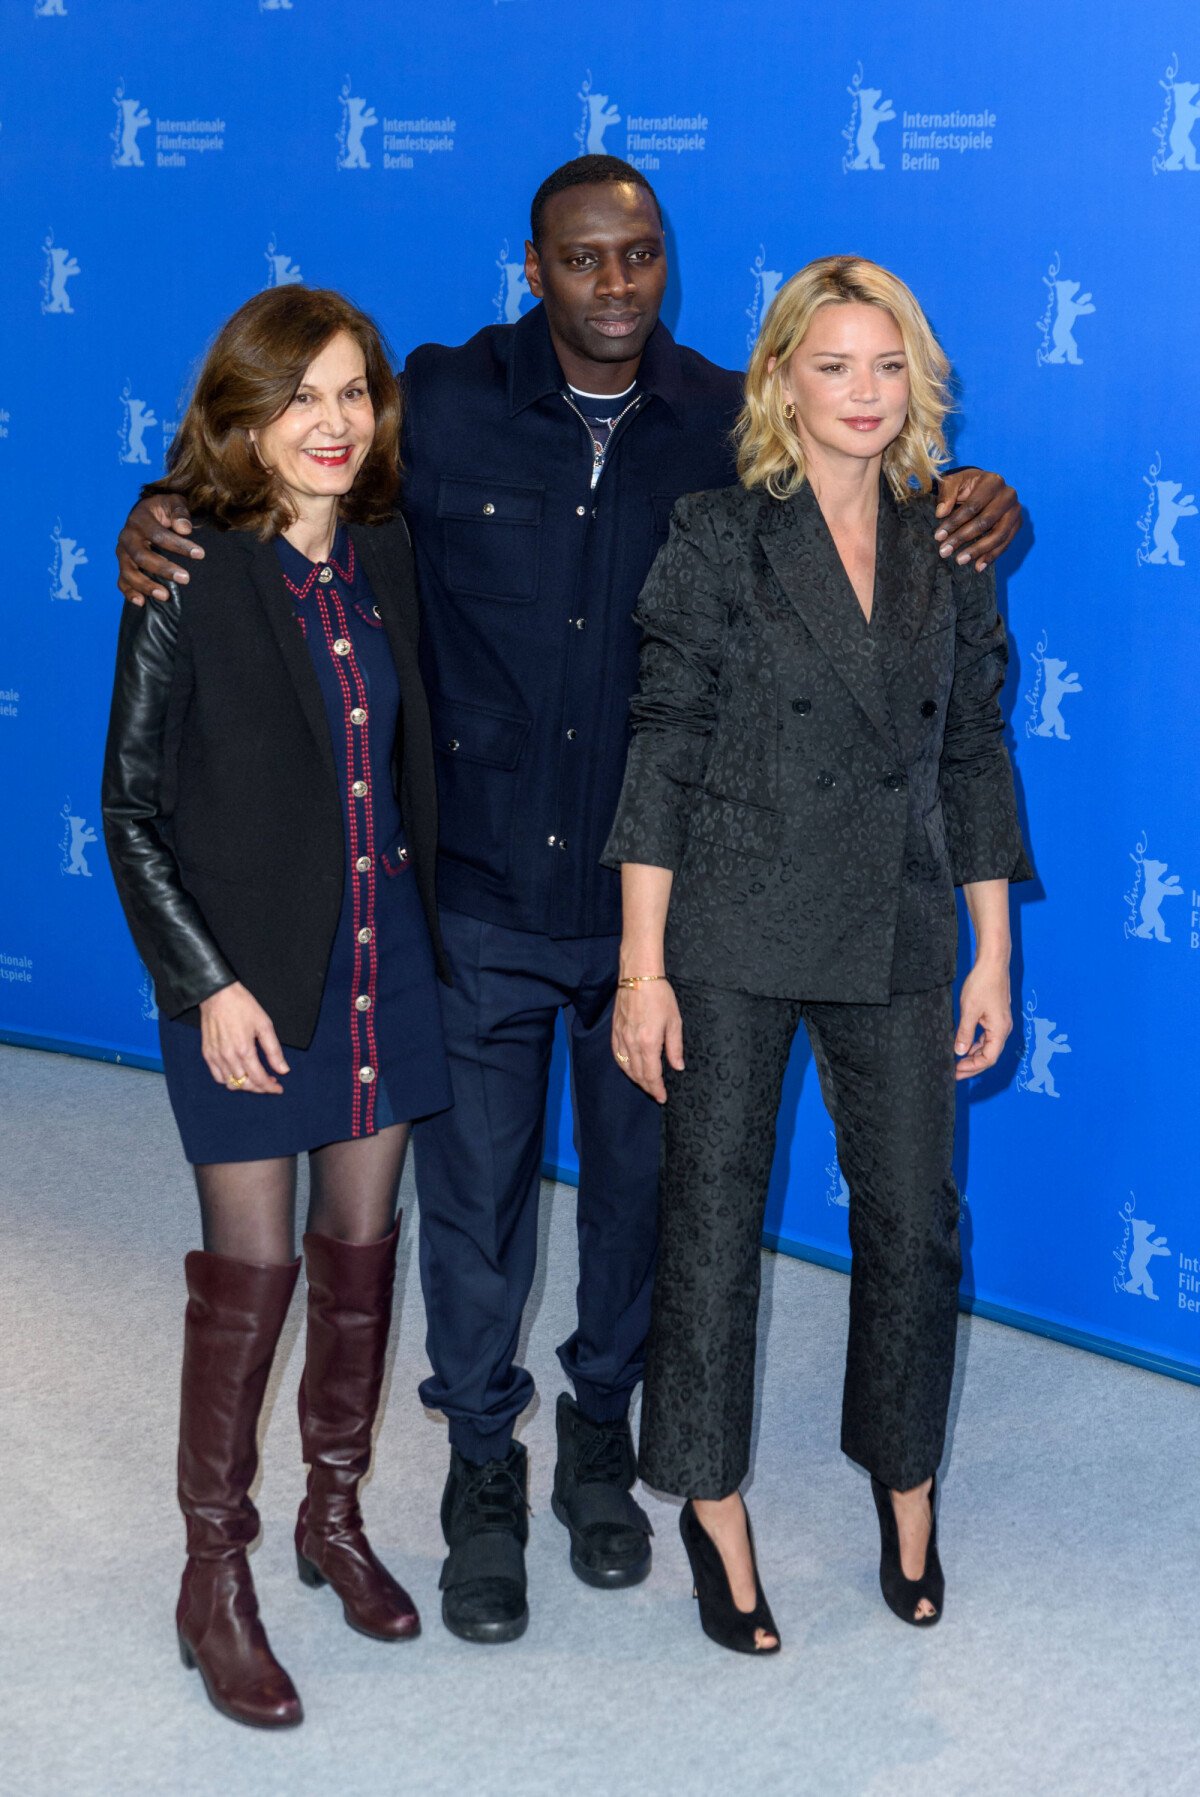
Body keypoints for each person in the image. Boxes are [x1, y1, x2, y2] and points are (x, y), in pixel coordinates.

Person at [113, 158, 1023, 1645]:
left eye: (642, 257)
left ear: (668, 264)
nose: (615, 284)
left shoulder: (738, 432)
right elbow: (292, 476)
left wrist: (974, 494)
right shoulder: (441, 402)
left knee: (646, 1202)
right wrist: (168, 508)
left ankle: (603, 1437)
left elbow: (864, 492)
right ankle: (483, 1466)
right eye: (585, 259)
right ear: (532, 265)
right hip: (470, 899)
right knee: (466, 1213)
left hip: (661, 918)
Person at [604, 255, 1032, 1654]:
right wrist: (643, 966)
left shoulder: (949, 547)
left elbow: (972, 754)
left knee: (914, 1225)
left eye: (888, 364)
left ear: (919, 382)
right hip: (728, 922)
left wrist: (991, 955)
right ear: (781, 378)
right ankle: (712, 1502)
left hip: (901, 926)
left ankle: (904, 1485)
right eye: (834, 364)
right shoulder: (719, 534)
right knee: (713, 1218)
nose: (862, 391)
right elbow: (661, 750)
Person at [102, 287, 451, 1725]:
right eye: (299, 396)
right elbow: (129, 809)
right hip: (242, 986)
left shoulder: (385, 551)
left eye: (353, 393)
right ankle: (214, 1571)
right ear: (241, 417)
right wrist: (206, 982)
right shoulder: (182, 564)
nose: (331, 421)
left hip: (383, 962)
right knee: (247, 1282)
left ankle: (333, 1513)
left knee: (361, 1253)